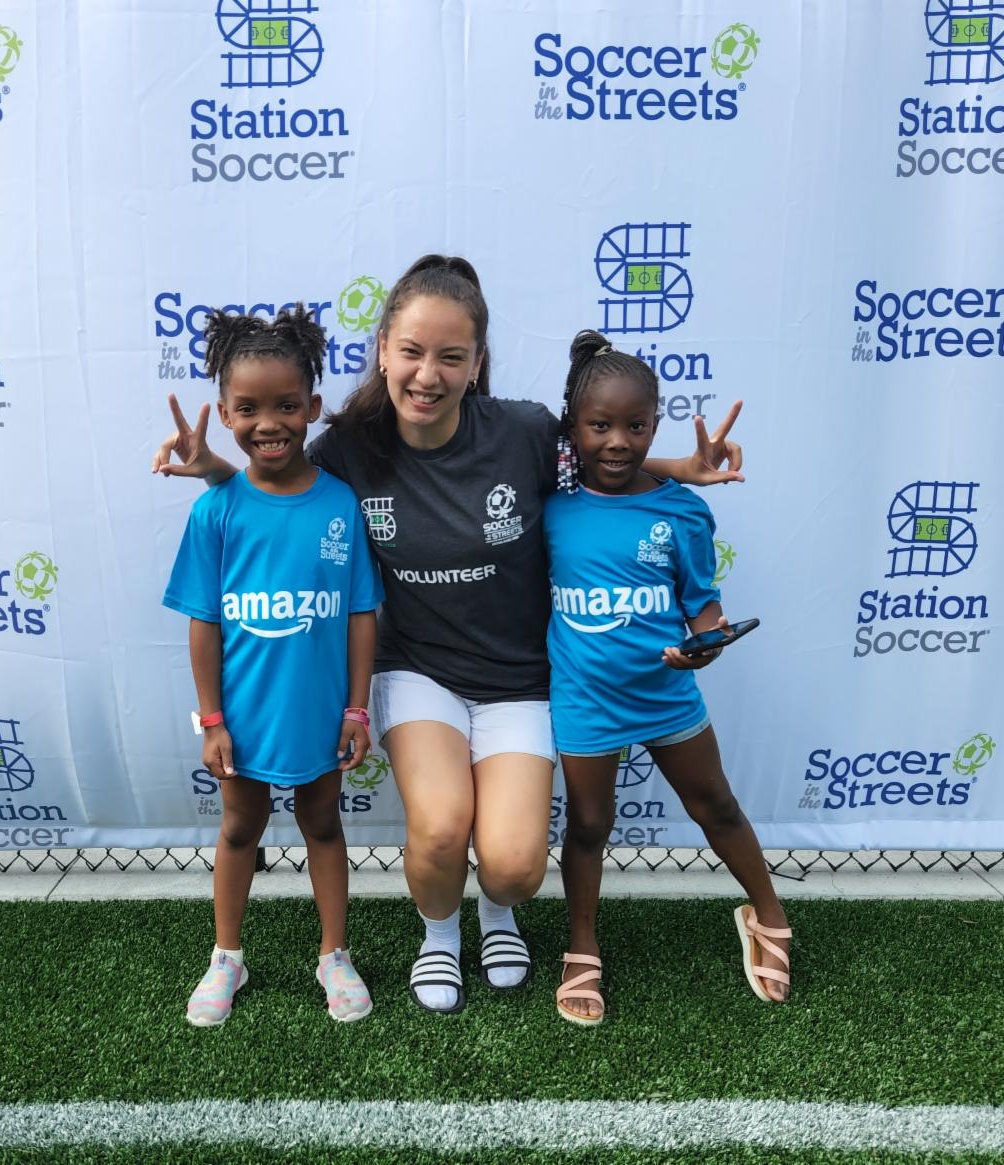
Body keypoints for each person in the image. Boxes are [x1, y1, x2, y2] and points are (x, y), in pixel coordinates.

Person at [154, 255, 744, 1015]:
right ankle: (439, 934)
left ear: (476, 363)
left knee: (514, 865)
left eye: (451, 357)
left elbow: (609, 458)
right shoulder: (349, 447)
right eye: (411, 351)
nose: (427, 375)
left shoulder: (525, 432)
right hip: (417, 672)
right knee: (437, 832)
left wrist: (682, 468)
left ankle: (496, 915)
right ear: (383, 351)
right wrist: (214, 470)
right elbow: (277, 480)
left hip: (519, 681)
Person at [545, 332, 791, 1026]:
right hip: (585, 699)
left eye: (636, 425)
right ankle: (582, 945)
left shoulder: (681, 509)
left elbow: (702, 604)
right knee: (589, 823)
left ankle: (768, 913)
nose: (618, 442)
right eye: (600, 425)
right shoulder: (550, 501)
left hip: (665, 693)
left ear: (656, 423)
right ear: (574, 427)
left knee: (716, 803)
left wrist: (706, 644)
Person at [162, 304, 383, 1027]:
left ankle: (334, 954)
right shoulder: (216, 509)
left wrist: (357, 709)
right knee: (239, 828)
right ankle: (226, 956)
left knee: (323, 822)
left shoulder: (340, 504)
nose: (269, 423)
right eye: (249, 408)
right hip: (242, 719)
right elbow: (204, 622)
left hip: (319, 715)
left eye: (287, 405)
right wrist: (212, 720)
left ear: (313, 407)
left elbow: (360, 613)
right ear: (226, 414)